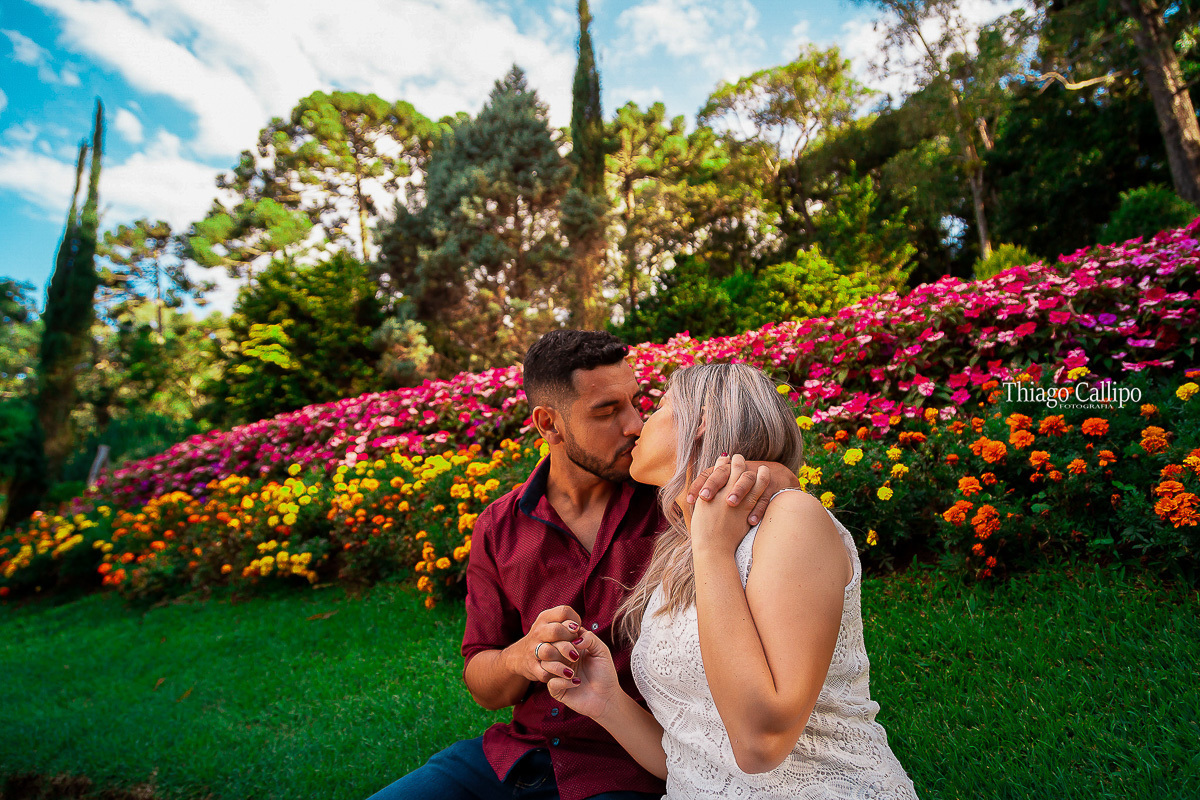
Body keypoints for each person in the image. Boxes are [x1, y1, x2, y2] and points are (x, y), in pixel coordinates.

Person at [366, 332, 798, 800]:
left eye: (636, 402)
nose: (634, 425)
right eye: (606, 411)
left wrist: (774, 474)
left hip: (630, 765)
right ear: (548, 424)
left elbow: (755, 469)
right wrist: (523, 655)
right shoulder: (498, 526)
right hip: (513, 756)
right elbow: (483, 681)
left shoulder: (674, 500)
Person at [542, 363, 920, 799]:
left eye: (659, 406)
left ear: (700, 422)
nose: (638, 425)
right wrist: (607, 700)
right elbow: (696, 762)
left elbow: (760, 744)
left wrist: (713, 549)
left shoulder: (789, 520)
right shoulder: (682, 555)